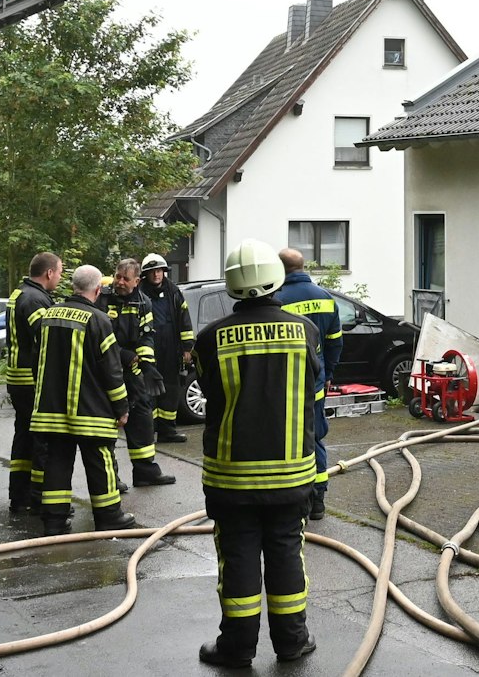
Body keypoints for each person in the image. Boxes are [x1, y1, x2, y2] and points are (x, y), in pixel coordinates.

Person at [194, 240, 321, 668]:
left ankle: (236, 647)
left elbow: (211, 397)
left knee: (239, 556)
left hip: (232, 477)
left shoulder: (210, 338)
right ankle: (292, 642)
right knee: (287, 553)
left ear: (231, 286)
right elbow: (314, 389)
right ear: (276, 280)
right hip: (291, 474)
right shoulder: (305, 331)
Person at [29, 264, 138, 536]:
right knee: (100, 461)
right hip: (90, 411)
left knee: (56, 462)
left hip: (51, 411)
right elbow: (112, 371)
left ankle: (54, 520)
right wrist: (122, 407)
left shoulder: (46, 316)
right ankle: (109, 515)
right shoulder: (99, 320)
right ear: (98, 289)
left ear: (74, 286)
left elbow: (35, 360)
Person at [274, 248, 342, 521]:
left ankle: (290, 499)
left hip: (285, 385)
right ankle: (318, 500)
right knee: (315, 439)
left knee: (285, 441)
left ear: (281, 270)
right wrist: (327, 373)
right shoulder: (326, 298)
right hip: (316, 382)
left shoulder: (277, 301)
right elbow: (336, 342)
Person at [106, 257, 175, 489]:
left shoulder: (144, 302)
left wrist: (147, 366)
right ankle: (110, 478)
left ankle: (146, 472)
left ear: (137, 281)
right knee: (107, 426)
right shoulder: (103, 299)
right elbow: (95, 336)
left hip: (133, 371)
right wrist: (122, 353)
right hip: (105, 371)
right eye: (118, 276)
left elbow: (147, 336)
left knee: (143, 419)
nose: (120, 282)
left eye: (126, 278)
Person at [4, 251, 62, 513]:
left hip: (18, 377)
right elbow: (46, 338)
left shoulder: (20, 293)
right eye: (59, 272)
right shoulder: (35, 299)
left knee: (24, 437)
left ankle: (20, 495)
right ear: (49, 273)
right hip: (32, 379)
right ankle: (39, 498)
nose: (59, 278)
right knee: (41, 439)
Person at [140, 253, 194, 443]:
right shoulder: (139, 293)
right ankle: (149, 431)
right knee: (149, 390)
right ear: (145, 274)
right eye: (153, 272)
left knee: (171, 390)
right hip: (148, 349)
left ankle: (168, 431)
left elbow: (184, 320)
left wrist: (187, 348)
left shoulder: (173, 291)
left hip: (171, 349)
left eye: (160, 271)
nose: (156, 275)